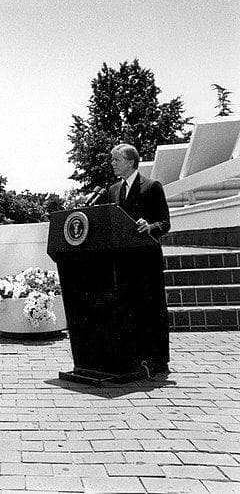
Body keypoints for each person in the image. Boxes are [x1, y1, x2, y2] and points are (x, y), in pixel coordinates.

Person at [109, 143, 171, 373]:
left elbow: (165, 222)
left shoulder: (152, 186)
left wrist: (150, 226)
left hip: (146, 261)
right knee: (127, 309)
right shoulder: (113, 190)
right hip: (123, 261)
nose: (112, 163)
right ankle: (132, 357)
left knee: (152, 309)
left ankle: (158, 359)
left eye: (116, 159)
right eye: (112, 159)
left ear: (130, 161)